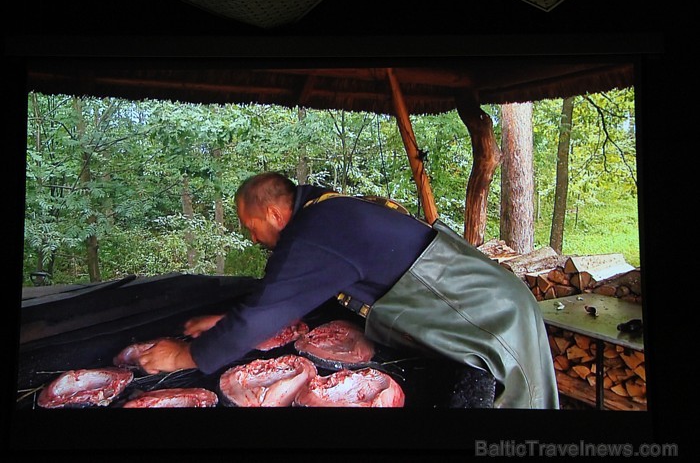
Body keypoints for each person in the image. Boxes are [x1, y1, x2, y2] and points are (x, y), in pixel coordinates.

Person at [138, 171, 559, 409]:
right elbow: (296, 289)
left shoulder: (315, 231)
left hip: (489, 313)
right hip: (483, 298)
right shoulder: (325, 212)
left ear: (272, 213)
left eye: (252, 228)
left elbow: (269, 307)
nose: (252, 239)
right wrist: (227, 322)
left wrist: (186, 354)